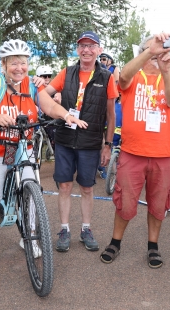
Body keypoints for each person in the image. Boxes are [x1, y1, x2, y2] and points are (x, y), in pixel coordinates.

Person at [0, 39, 87, 262]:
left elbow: (48, 106)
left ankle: (29, 236)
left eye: (23, 62)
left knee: (32, 192)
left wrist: (66, 115)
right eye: (14, 63)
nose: (19, 68)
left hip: (23, 146)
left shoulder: (32, 85)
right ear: (3, 64)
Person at [99, 34, 170, 267]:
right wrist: (150, 50)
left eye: (162, 50)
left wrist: (165, 70)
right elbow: (123, 76)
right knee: (124, 201)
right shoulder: (134, 78)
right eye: (151, 50)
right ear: (143, 53)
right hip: (132, 153)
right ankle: (115, 242)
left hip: (163, 155)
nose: (157, 53)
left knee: (158, 205)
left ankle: (153, 246)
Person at [43, 31, 118, 252]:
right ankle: (64, 229)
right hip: (65, 139)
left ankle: (86, 229)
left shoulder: (106, 77)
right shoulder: (66, 73)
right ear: (77, 50)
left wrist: (107, 145)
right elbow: (44, 94)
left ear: (99, 50)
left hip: (91, 142)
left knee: (86, 187)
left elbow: (111, 115)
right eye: (82, 46)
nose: (86, 50)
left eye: (91, 46)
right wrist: (46, 94)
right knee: (64, 186)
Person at [36, 64, 58, 152]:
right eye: (44, 76)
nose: (47, 78)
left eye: (49, 76)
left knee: (55, 137)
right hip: (37, 119)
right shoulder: (33, 88)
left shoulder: (55, 90)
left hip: (51, 120)